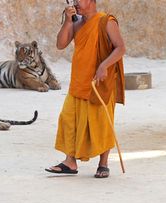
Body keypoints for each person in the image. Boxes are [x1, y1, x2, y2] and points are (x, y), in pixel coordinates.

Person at [45, 0, 125, 178]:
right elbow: (60, 44)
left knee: (101, 123)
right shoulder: (76, 23)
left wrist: (104, 66)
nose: (75, 3)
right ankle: (70, 162)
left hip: (99, 82)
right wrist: (67, 20)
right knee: (69, 120)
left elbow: (120, 48)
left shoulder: (106, 21)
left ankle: (103, 164)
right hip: (78, 82)